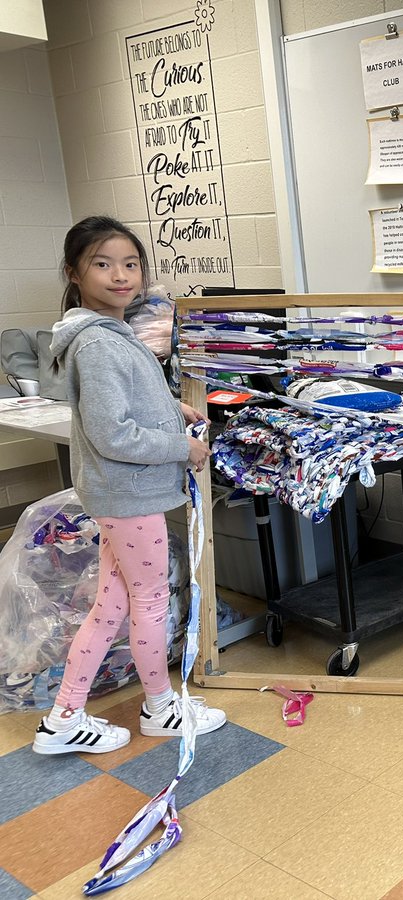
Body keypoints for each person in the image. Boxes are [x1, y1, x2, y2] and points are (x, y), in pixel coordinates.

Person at [32, 216, 227, 755]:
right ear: (74, 272)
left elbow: (127, 403)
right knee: (148, 598)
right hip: (128, 492)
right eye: (102, 263)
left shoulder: (114, 333)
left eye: (130, 263)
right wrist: (180, 447)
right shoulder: (97, 344)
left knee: (113, 603)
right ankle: (161, 707)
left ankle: (65, 715)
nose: (120, 275)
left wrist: (173, 408)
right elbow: (113, 432)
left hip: (124, 492)